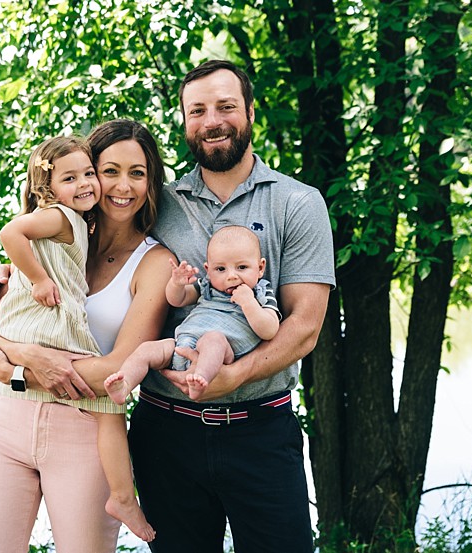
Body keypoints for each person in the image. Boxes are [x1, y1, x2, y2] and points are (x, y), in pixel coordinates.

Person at [125, 59, 336, 552]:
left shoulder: (297, 203)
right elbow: (93, 255)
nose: (212, 120)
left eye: (225, 106)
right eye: (197, 110)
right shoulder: (158, 201)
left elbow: (305, 326)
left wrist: (235, 376)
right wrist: (14, 274)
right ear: (184, 121)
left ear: (250, 112)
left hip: (259, 430)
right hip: (165, 433)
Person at [0, 119, 175, 552]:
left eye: (137, 173)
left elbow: (117, 372)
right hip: (5, 420)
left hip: (85, 433)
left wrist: (15, 366)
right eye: (108, 170)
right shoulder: (56, 237)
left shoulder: (155, 263)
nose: (122, 186)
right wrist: (11, 348)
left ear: (152, 181)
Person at [104, 225, 279, 403]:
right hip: (181, 345)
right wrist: (177, 284)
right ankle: (124, 384)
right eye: (220, 269)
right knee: (146, 350)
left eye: (242, 267)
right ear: (208, 269)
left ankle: (199, 378)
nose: (231, 276)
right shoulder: (208, 286)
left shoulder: (260, 292)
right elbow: (177, 300)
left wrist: (248, 303)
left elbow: (269, 330)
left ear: (260, 267)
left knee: (213, 339)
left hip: (222, 352)